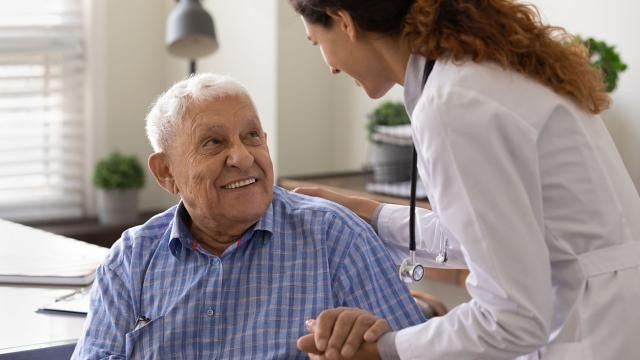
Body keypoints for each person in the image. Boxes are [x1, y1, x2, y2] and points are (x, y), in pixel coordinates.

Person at [288, 0, 640, 359]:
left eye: (317, 43)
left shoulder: (453, 104)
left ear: (343, 21)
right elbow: (494, 236)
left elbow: (510, 320)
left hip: (594, 334)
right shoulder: (479, 74)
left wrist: (384, 350)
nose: (329, 66)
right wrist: (374, 215)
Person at [71, 73, 426, 359]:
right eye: (213, 142)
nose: (242, 157)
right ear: (166, 172)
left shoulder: (335, 237)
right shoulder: (131, 259)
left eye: (252, 136)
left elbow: (416, 353)